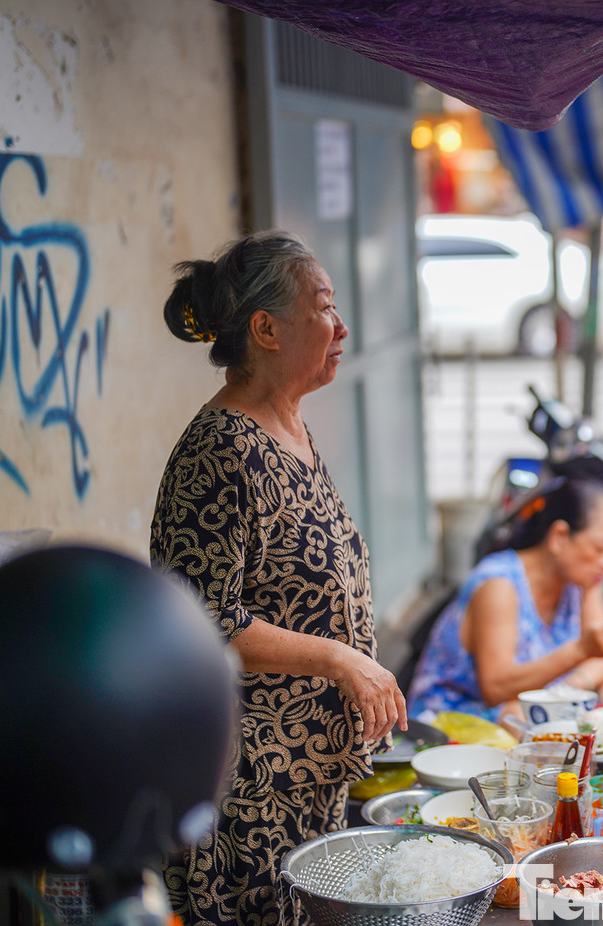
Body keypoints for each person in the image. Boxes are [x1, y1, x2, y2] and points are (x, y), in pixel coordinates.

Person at [150, 231, 407, 926]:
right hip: (252, 788)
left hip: (310, 775)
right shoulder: (221, 451)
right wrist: (339, 657)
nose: (342, 325)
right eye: (323, 307)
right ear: (266, 329)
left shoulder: (288, 430)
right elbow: (198, 621)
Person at [409, 478, 603, 723]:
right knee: (519, 714)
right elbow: (495, 689)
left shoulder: (582, 581)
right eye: (600, 548)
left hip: (529, 705)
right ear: (559, 536)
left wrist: (568, 688)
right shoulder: (499, 584)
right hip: (450, 720)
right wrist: (579, 652)